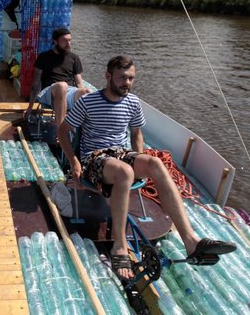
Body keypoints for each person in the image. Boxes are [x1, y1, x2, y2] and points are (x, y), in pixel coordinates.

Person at [57, 55, 236, 281]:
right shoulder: (88, 102)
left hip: (121, 153)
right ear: (108, 76)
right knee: (125, 172)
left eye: (131, 78)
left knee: (155, 163)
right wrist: (74, 161)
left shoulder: (133, 102)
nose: (127, 83)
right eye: (122, 78)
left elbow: (136, 133)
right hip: (94, 158)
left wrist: (139, 157)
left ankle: (191, 241)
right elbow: (63, 131)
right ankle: (119, 247)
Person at [23, 27, 92, 124]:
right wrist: (30, 107)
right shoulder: (44, 57)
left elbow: (79, 82)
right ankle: (60, 129)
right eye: (64, 41)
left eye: (69, 40)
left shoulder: (74, 58)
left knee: (86, 92)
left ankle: (84, 128)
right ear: (55, 41)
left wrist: (83, 93)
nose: (68, 44)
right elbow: (36, 83)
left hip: (69, 92)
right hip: (49, 93)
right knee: (62, 86)